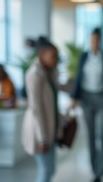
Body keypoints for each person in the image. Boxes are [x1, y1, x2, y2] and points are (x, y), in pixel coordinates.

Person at [70, 28, 103, 182]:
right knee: (90, 135)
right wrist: (74, 97)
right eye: (92, 40)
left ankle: (100, 170)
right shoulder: (84, 56)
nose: (94, 43)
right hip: (86, 98)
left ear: (100, 41)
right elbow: (78, 77)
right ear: (89, 41)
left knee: (102, 134)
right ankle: (94, 171)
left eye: (97, 40)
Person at [22, 42, 62, 182]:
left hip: (49, 127)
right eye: (53, 56)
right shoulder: (34, 74)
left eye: (57, 56)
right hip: (40, 130)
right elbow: (36, 108)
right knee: (46, 170)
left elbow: (52, 103)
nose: (56, 59)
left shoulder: (49, 73)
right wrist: (42, 138)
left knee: (49, 170)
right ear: (41, 55)